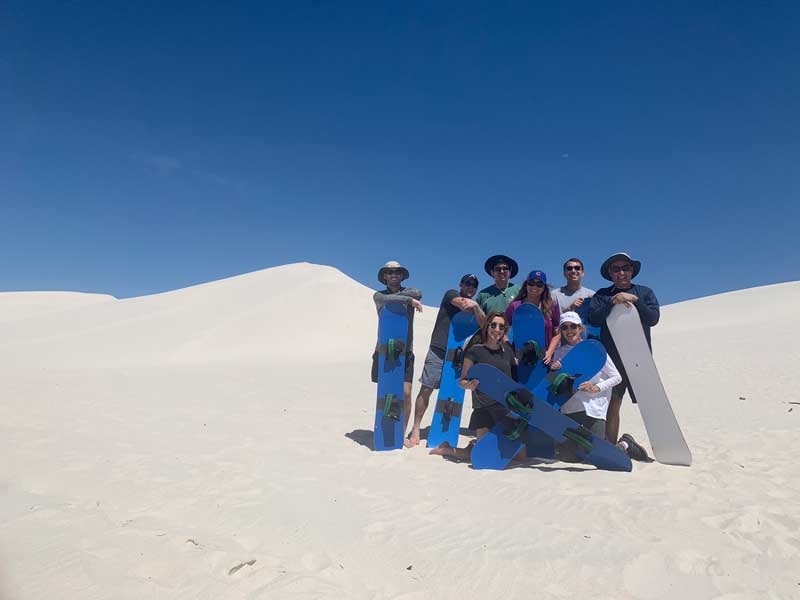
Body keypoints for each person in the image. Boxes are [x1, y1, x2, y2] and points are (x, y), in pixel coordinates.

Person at [550, 312, 650, 461]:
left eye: (573, 326)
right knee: (569, 457)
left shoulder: (595, 350)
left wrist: (596, 387)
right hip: (569, 408)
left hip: (593, 408)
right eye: (565, 327)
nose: (569, 330)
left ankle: (624, 444)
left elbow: (617, 377)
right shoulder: (559, 353)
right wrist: (554, 370)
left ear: (580, 328)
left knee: (597, 455)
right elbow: (557, 381)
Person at [588, 252, 660, 446]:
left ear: (632, 271)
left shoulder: (644, 293)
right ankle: (611, 446)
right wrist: (613, 301)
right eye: (616, 269)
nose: (621, 272)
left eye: (625, 268)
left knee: (650, 403)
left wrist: (634, 300)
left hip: (640, 359)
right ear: (610, 273)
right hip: (613, 361)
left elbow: (652, 319)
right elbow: (594, 318)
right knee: (613, 404)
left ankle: (663, 444)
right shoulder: (602, 295)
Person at [405, 274, 485, 447]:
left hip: (458, 355)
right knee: (427, 388)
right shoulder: (450, 294)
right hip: (438, 350)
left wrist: (477, 306)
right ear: (461, 284)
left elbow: (483, 324)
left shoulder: (475, 305)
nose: (471, 287)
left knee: (452, 394)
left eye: (474, 285)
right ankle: (416, 428)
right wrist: (473, 307)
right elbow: (463, 305)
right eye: (467, 283)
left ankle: (446, 430)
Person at [429, 312, 519, 461]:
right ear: (487, 327)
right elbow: (462, 381)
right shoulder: (475, 351)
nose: (497, 329)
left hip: (504, 408)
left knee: (519, 456)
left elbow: (511, 380)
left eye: (501, 327)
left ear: (505, 330)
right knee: (484, 456)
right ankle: (447, 450)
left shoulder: (507, 352)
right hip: (484, 408)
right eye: (493, 325)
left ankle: (473, 446)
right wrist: (469, 386)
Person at [372, 261, 423, 437]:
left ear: (402, 276)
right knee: (387, 392)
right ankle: (386, 430)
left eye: (397, 272)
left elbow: (418, 292)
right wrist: (409, 301)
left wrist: (410, 297)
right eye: (390, 272)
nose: (394, 274)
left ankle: (400, 431)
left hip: (405, 352)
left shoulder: (412, 293)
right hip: (384, 352)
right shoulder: (378, 295)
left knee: (406, 393)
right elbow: (385, 300)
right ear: (384, 276)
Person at [504, 270, 561, 365]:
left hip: (544, 360)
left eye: (539, 284)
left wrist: (550, 352)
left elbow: (557, 333)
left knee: (550, 380)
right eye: (531, 283)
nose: (534, 287)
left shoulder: (552, 307)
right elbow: (503, 331)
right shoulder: (515, 306)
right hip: (519, 360)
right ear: (526, 284)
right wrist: (511, 352)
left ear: (544, 288)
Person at [475, 255, 521, 319]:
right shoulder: (483, 294)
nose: (502, 271)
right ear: (492, 273)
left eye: (505, 268)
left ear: (510, 272)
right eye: (498, 269)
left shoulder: (519, 290)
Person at [551, 258, 595, 326]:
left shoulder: (591, 295)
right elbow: (551, 320)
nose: (573, 271)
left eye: (577, 268)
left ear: (583, 273)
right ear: (564, 273)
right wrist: (570, 308)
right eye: (569, 268)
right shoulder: (554, 295)